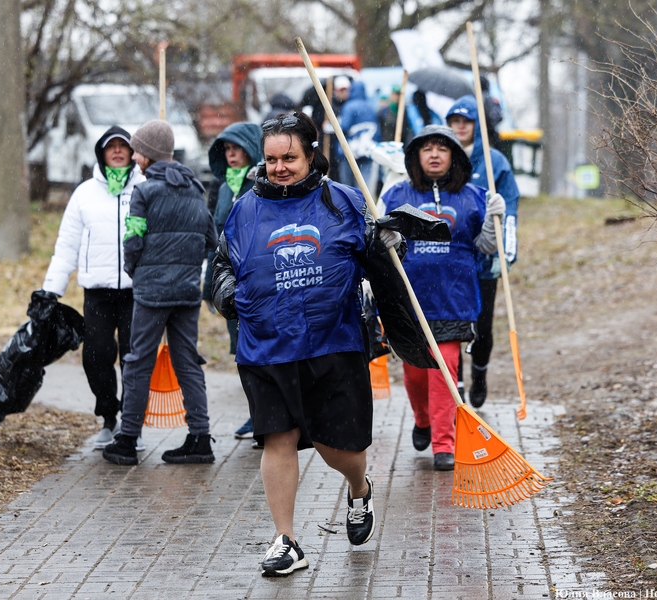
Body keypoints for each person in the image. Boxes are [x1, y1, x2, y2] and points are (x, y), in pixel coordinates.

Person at [211, 111, 401, 576]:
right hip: (265, 343)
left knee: (336, 446)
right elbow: (220, 265)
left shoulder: (345, 202)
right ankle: (287, 540)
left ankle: (359, 488)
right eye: (272, 158)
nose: (279, 167)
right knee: (278, 437)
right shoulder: (246, 207)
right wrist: (229, 296)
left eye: (289, 157)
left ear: (311, 154)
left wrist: (387, 244)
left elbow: (379, 263)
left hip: (331, 342)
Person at [381, 124, 505, 471]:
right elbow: (376, 246)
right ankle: (423, 419)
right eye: (427, 149)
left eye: (442, 148)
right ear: (415, 157)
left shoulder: (474, 196)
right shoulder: (395, 196)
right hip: (409, 303)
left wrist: (495, 218)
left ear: (454, 157)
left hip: (454, 300)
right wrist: (384, 239)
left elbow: (487, 249)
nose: (434, 155)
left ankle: (443, 443)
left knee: (444, 371)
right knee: (415, 375)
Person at [102, 120, 218, 466]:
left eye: (138, 150)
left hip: (151, 293)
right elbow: (210, 239)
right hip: (185, 292)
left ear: (149, 156)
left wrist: (135, 271)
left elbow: (133, 239)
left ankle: (127, 439)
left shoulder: (144, 192)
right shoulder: (196, 189)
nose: (134, 157)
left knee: (137, 362)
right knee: (188, 362)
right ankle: (200, 437)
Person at [42, 126, 146, 450]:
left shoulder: (146, 188)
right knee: (96, 354)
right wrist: (50, 290)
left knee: (134, 357)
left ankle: (130, 427)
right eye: (110, 146)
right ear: (101, 153)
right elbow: (66, 245)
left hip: (135, 290)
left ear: (132, 153)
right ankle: (109, 416)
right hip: (97, 292)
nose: (117, 151)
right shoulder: (84, 194)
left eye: (123, 146)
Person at [446, 95, 520, 407]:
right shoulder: (440, 157)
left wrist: (508, 250)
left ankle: (479, 374)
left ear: (477, 125)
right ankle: (458, 385)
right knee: (453, 327)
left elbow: (511, 208)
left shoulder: (494, 162)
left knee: (483, 326)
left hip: (486, 260)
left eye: (466, 121)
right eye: (454, 121)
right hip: (451, 260)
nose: (460, 127)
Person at [201, 121, 263, 441]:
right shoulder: (223, 186)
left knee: (263, 353)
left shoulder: (262, 185)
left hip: (261, 283)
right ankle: (258, 416)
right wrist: (209, 286)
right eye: (226, 149)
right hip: (231, 285)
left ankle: (270, 417)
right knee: (242, 352)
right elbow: (214, 240)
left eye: (237, 148)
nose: (232, 154)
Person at [337, 80, 380, 189]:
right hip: (367, 150)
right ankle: (365, 206)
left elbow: (343, 127)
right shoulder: (371, 106)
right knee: (365, 186)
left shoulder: (349, 106)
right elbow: (377, 129)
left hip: (350, 151)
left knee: (347, 186)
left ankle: (349, 206)